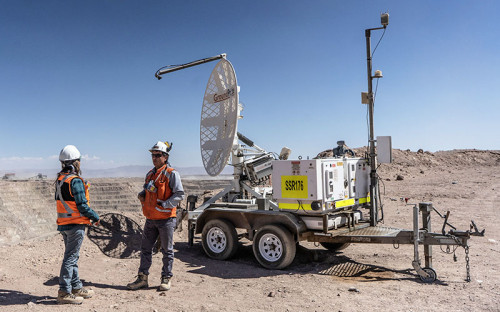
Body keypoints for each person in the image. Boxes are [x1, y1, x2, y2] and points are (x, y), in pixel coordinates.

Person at [127, 141, 185, 291]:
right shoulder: (150, 174)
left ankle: (166, 278)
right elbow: (147, 192)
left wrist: (165, 204)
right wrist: (142, 195)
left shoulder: (172, 174)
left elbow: (179, 195)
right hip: (150, 219)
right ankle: (142, 278)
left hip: (166, 220)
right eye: (153, 155)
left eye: (157, 155)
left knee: (167, 250)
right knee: (145, 249)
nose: (154, 158)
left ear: (165, 157)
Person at [55, 145, 100, 305]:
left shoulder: (60, 179)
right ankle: (64, 292)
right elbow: (82, 206)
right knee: (70, 258)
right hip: (75, 225)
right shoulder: (75, 181)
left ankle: (76, 287)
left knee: (72, 257)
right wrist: (95, 216)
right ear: (76, 162)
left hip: (64, 224)